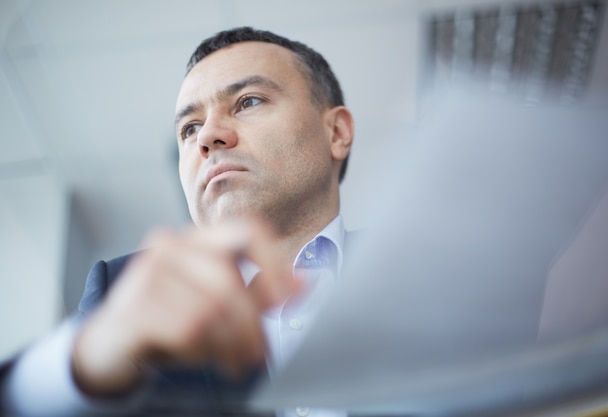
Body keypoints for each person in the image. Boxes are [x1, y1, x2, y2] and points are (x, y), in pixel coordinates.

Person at [0, 26, 355, 416]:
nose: (208, 137)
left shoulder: (428, 277)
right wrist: (82, 364)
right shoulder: (119, 293)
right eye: (189, 128)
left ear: (336, 132)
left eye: (248, 101)